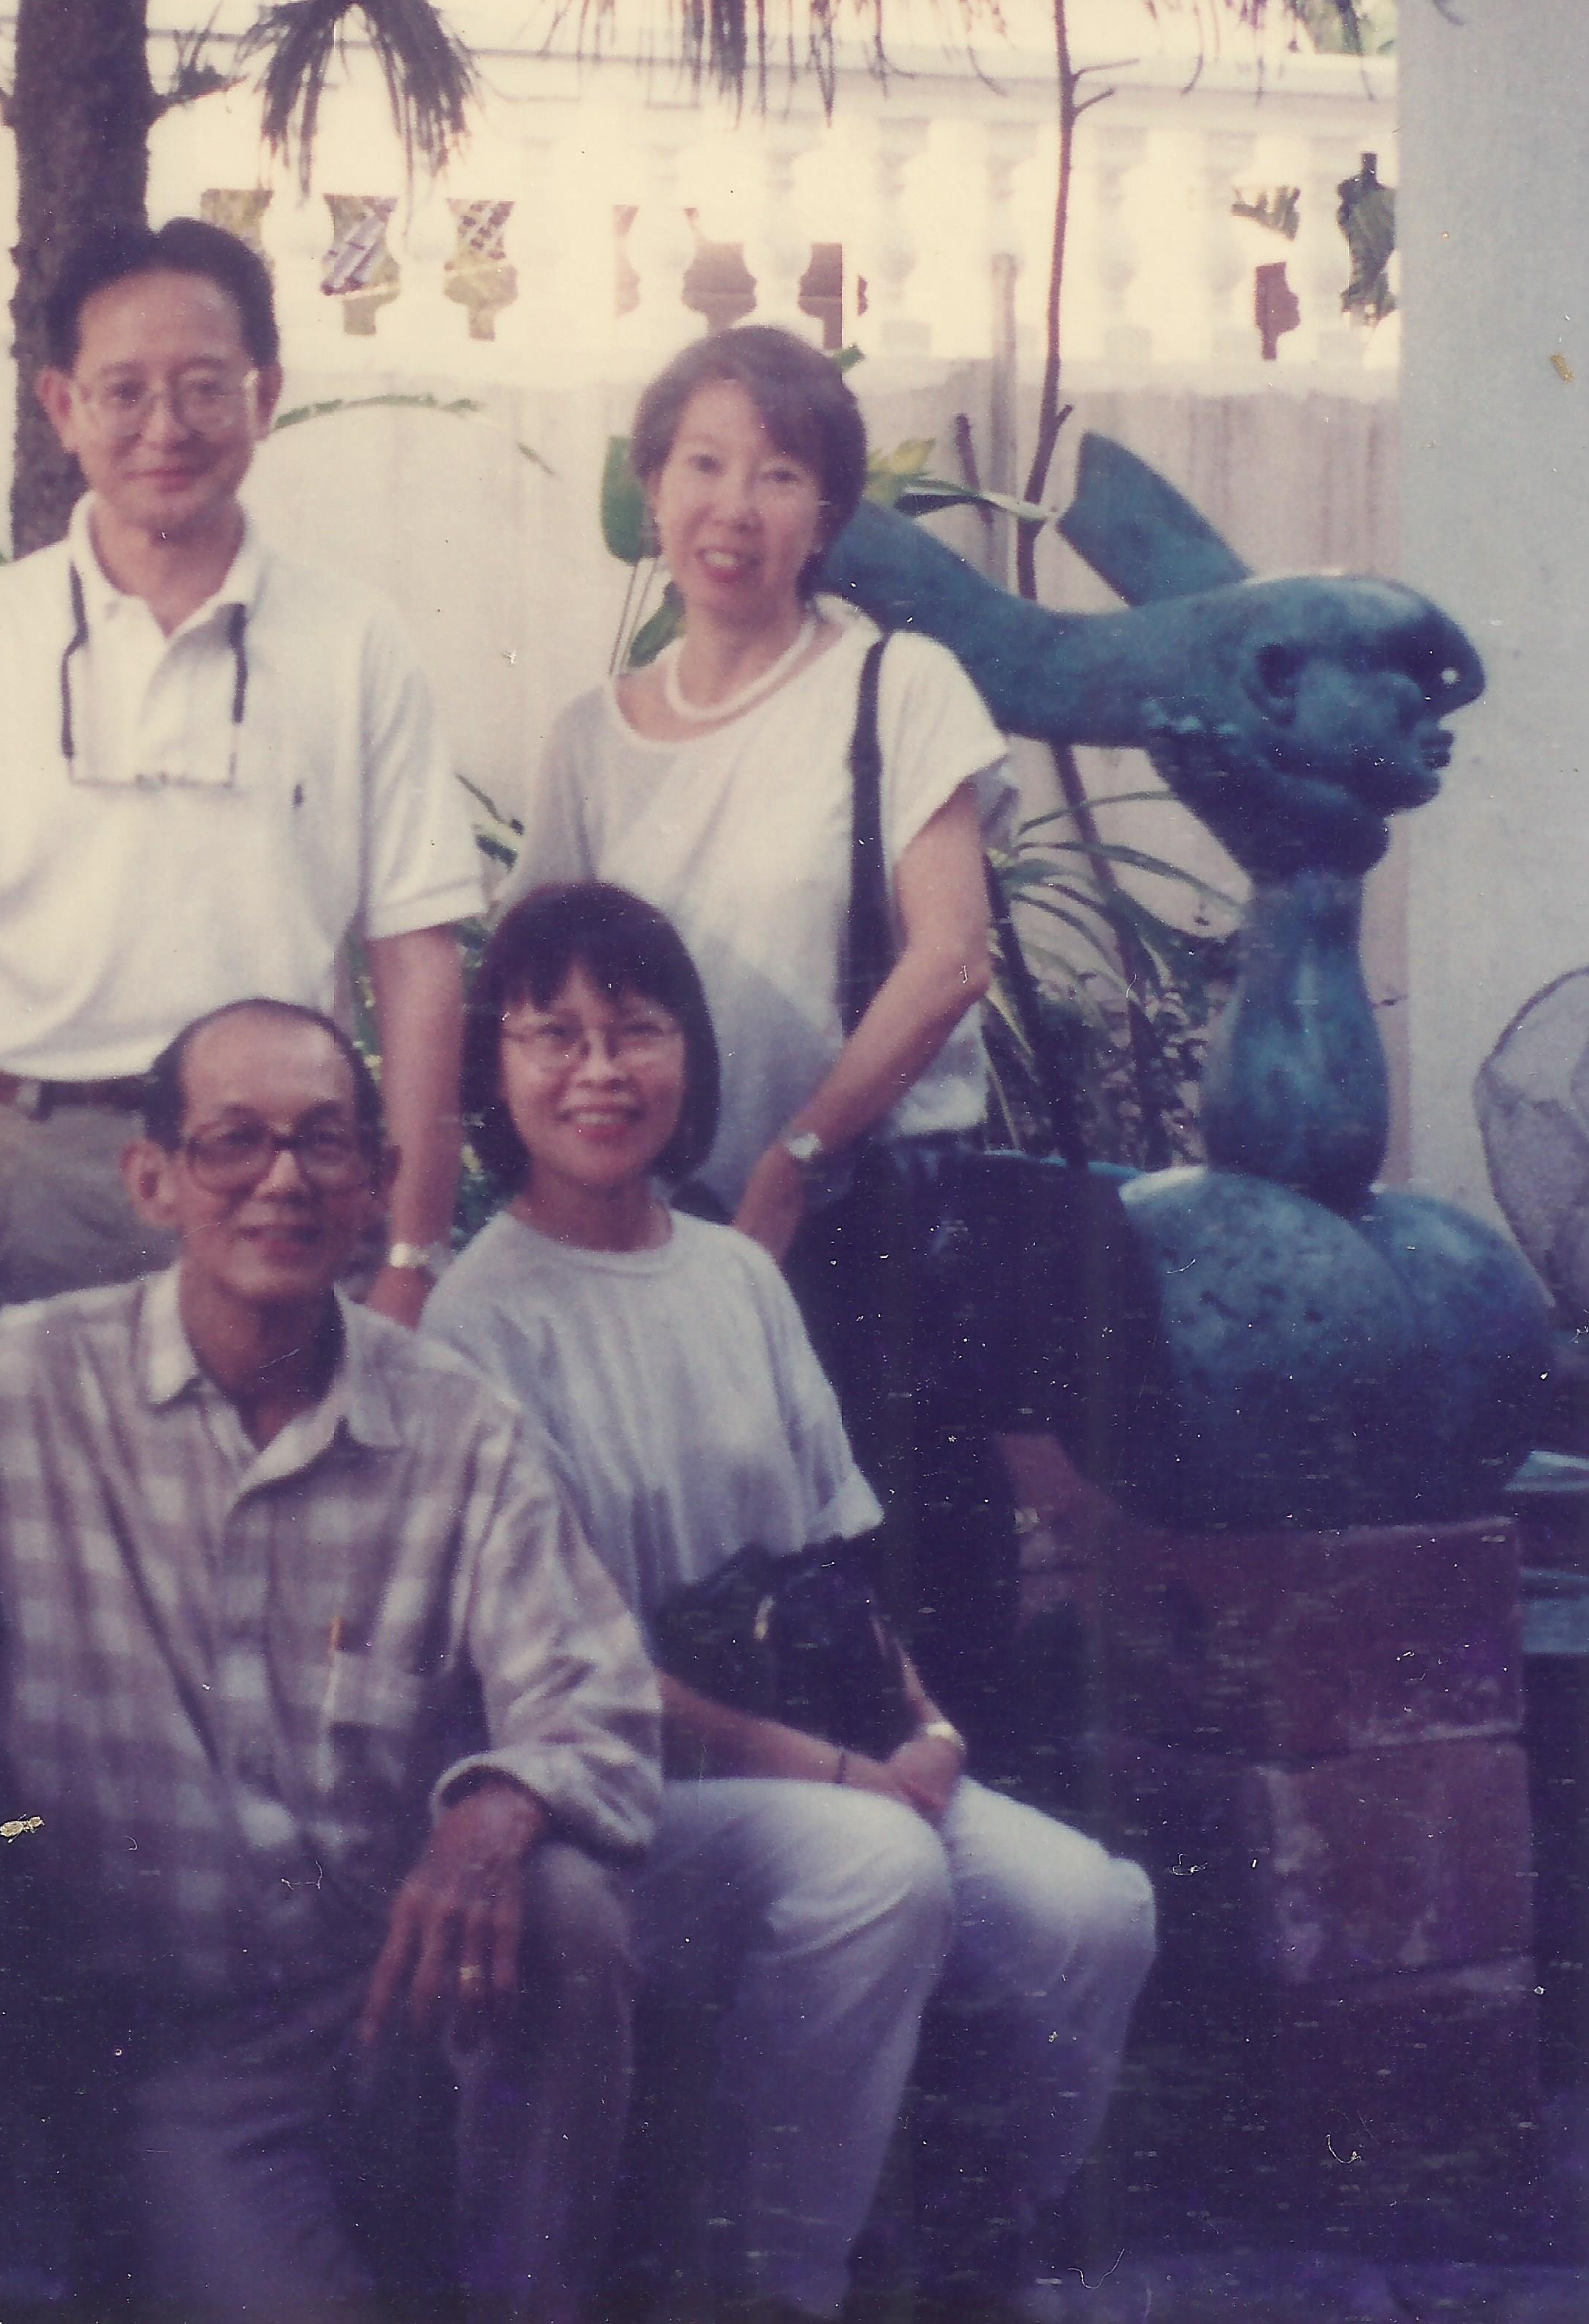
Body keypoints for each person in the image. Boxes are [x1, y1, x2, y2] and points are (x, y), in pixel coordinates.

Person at [0, 997, 662, 2321]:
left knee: (566, 1909)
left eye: (325, 1143)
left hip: (396, 1991)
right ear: (151, 1178)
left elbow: (595, 1692)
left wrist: (496, 1809)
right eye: (234, 1144)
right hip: (173, 2042)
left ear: (380, 1182)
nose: (282, 1180)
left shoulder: (457, 1429)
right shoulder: (21, 1386)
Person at [426, 883, 1155, 2314]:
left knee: (1092, 1912)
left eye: (633, 1030)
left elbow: (830, 1563)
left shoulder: (734, 1278)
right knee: (871, 1872)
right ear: (493, 1073)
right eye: (551, 1035)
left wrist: (926, 1727)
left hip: (819, 1756)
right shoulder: (477, 1324)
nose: (597, 1070)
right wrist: (841, 1775)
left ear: (685, 1053)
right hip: (621, 1793)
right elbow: (580, 1678)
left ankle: (953, 2250)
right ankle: (763, 2289)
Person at [508, 322, 1028, 1721]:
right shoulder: (587, 739)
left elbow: (950, 960)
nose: (733, 509)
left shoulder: (895, 688)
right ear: (651, 484)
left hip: (862, 1244)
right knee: (711, 1630)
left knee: (908, 1633)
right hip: (668, 1258)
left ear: (829, 517)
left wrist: (795, 1160)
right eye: (704, 464)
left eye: (780, 475)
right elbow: (540, 991)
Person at [0, 216, 483, 1332]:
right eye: (123, 391)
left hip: (273, 1184)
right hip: (26, 1186)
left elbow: (418, 963)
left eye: (203, 386)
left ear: (265, 393)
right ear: (62, 408)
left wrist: (411, 1255)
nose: (165, 428)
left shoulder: (354, 641)